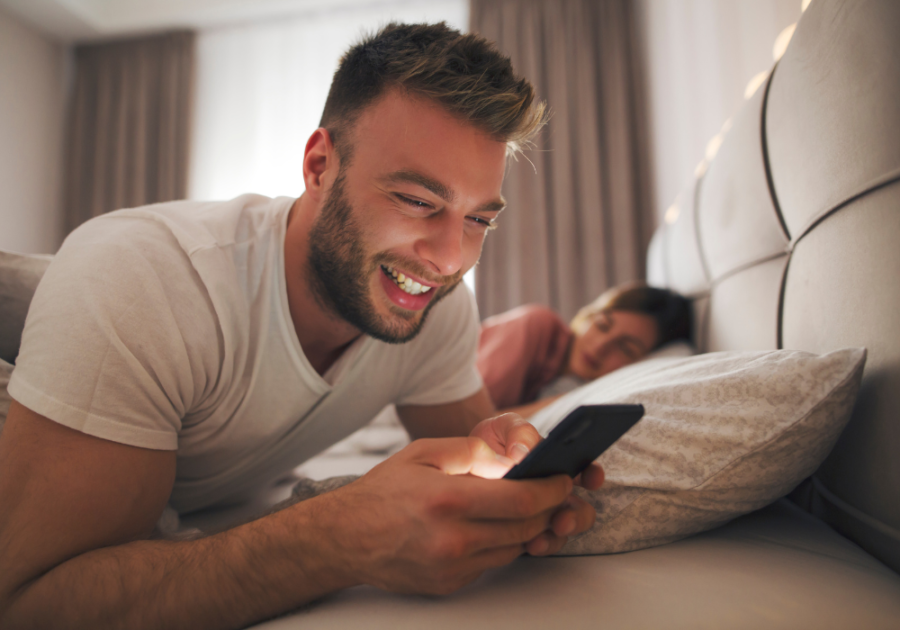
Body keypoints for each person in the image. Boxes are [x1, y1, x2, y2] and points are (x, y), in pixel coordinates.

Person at [0, 23, 604, 629]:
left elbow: (476, 450)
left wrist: (518, 479)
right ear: (319, 166)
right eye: (418, 201)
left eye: (478, 219)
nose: (450, 259)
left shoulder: (436, 306)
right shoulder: (145, 281)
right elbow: (28, 606)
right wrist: (337, 536)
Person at [478, 282, 692, 417]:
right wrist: (563, 402)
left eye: (625, 349)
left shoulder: (577, 386)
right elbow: (463, 426)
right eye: (602, 325)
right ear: (589, 315)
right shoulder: (537, 325)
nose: (600, 346)